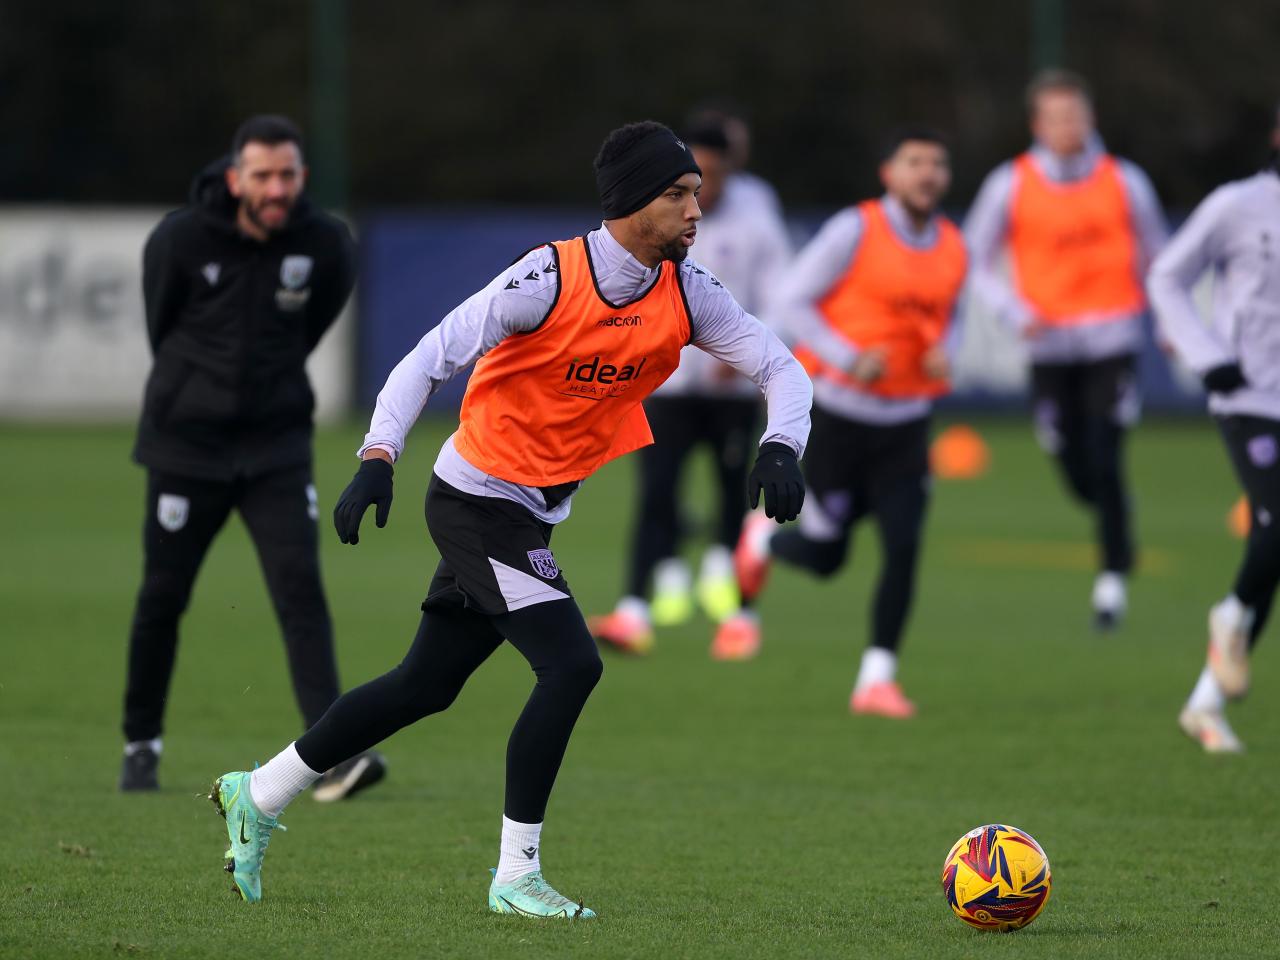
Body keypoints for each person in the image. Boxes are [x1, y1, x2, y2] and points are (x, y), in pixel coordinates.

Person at [208, 121, 811, 915]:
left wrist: (780, 445)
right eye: (679, 193)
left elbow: (780, 364)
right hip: (477, 503)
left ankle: (260, 789)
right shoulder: (545, 278)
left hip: (533, 511)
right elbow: (430, 356)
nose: (698, 208)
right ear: (633, 203)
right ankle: (515, 875)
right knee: (573, 666)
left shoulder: (687, 289)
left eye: (697, 190)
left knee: (424, 685)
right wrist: (378, 456)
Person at [122, 114, 385, 800]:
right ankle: (141, 744)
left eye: (288, 175)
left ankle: (333, 758)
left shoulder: (325, 243)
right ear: (236, 177)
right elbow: (161, 324)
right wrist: (198, 394)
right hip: (186, 448)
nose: (276, 188)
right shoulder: (181, 239)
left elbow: (314, 320)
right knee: (162, 596)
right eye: (263, 175)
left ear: (302, 177)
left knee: (301, 591)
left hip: (275, 448)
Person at [734, 128, 967, 708]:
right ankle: (763, 543)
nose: (928, 173)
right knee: (826, 557)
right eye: (915, 161)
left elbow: (952, 318)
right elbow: (791, 300)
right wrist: (846, 356)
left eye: (937, 163)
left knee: (904, 544)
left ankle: (877, 678)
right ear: (889, 173)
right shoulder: (855, 229)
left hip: (908, 424)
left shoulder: (954, 246)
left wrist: (948, 354)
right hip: (838, 420)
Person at [965, 70, 1168, 628]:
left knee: (1106, 456)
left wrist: (1169, 322)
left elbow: (1159, 256)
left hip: (1112, 339)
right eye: (1055, 117)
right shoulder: (1010, 182)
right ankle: (1108, 518)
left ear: (1091, 117)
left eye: (1075, 114)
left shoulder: (1126, 181)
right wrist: (1013, 312)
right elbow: (973, 259)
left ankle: (1112, 580)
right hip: (1048, 347)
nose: (1067, 126)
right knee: (1075, 467)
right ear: (1037, 125)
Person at [588, 120, 792, 658]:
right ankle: (633, 611)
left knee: (734, 499)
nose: (699, 195)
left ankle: (740, 618)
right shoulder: (654, 218)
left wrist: (739, 355)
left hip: (728, 397)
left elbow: (780, 297)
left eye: (708, 178)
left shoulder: (755, 219)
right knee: (656, 496)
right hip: (667, 390)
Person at [1147, 107, 1280, 753]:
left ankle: (1205, 703)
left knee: (1273, 546)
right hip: (1251, 395)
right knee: (1276, 523)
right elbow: (1168, 277)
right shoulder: (1238, 205)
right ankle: (1228, 619)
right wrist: (1206, 355)